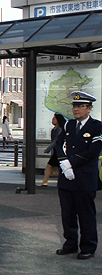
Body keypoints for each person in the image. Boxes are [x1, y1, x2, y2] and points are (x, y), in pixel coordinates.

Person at [55, 91, 102, 260]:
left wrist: (71, 163)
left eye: (80, 106)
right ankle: (70, 243)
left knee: (85, 214)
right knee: (67, 213)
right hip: (66, 178)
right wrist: (63, 162)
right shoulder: (68, 125)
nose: (76, 109)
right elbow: (58, 145)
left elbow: (93, 150)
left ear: (89, 108)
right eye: (74, 106)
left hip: (84, 178)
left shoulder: (97, 126)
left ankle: (88, 246)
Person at [39, 113, 67, 187]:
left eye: (54, 118)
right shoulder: (54, 130)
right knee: (58, 166)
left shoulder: (59, 129)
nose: (52, 120)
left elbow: (56, 141)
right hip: (57, 151)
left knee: (50, 165)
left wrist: (48, 149)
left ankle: (45, 181)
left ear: (58, 120)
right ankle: (46, 181)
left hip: (60, 151)